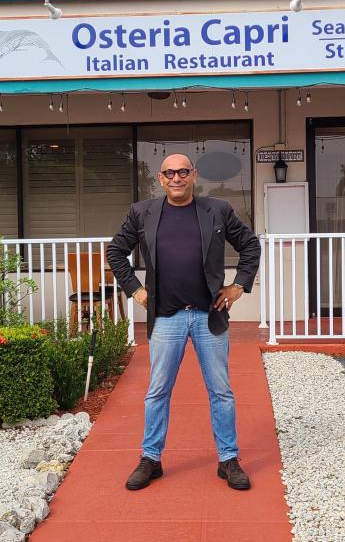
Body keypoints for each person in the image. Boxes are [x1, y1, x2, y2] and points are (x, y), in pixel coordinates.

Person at [105, 153, 260, 491]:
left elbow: (250, 245)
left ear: (194, 175)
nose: (177, 177)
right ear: (160, 179)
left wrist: (238, 286)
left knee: (221, 391)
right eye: (169, 172)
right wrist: (134, 289)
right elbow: (116, 251)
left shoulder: (217, 210)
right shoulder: (142, 212)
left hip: (209, 315)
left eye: (183, 171)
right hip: (166, 316)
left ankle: (228, 459)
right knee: (158, 391)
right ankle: (151, 459)